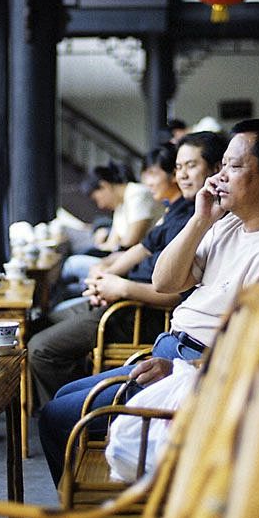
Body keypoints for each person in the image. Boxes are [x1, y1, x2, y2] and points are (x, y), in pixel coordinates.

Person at [39, 119, 259, 486]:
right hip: (172, 353)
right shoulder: (229, 222)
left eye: (233, 165)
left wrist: (185, 370)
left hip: (194, 374)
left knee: (56, 416)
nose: (221, 175)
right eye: (222, 164)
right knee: (67, 394)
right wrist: (199, 220)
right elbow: (165, 282)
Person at [28, 133, 227, 405]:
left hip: (138, 312)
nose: (181, 175)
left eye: (191, 166)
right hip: (123, 301)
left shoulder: (206, 219)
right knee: (43, 322)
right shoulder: (181, 209)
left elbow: (178, 292)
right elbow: (139, 249)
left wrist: (120, 287)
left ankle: (76, 412)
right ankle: (72, 400)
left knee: (40, 349)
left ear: (217, 169)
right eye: (178, 167)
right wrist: (105, 278)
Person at [57, 160, 161, 301]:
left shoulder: (137, 193)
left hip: (137, 264)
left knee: (72, 264)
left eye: (96, 199)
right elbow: (112, 243)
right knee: (70, 288)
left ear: (104, 186)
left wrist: (107, 259)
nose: (100, 205)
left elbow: (131, 241)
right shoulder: (120, 205)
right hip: (121, 259)